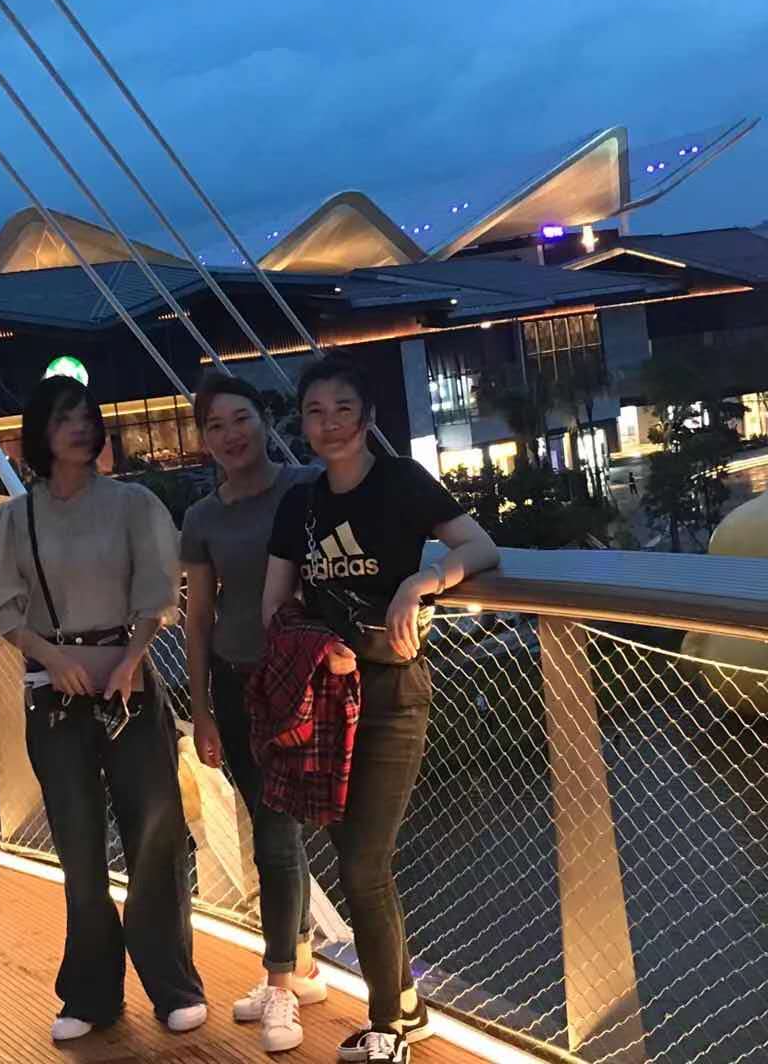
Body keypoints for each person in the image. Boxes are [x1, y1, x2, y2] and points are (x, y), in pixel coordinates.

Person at [262, 356, 500, 1064]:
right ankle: (406, 1006)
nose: (329, 423)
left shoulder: (400, 481)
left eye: (343, 408)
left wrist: (421, 583)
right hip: (329, 697)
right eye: (314, 411)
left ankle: (387, 1026)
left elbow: (480, 546)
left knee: (365, 861)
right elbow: (275, 607)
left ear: (366, 417)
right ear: (301, 425)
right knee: (356, 857)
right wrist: (321, 648)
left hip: (394, 693)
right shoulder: (299, 505)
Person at [0, 376, 206, 1042]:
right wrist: (51, 658)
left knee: (155, 837)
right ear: (39, 434)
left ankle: (173, 985)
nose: (79, 427)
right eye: (63, 418)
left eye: (86, 416)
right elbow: (3, 605)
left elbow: (158, 589)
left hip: (129, 688)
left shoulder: (134, 504)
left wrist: (134, 657)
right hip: (56, 694)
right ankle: (90, 993)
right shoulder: (16, 518)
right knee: (79, 850)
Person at [182, 374, 337, 1054]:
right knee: (269, 825)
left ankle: (278, 983)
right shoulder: (202, 518)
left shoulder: (307, 488)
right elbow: (197, 618)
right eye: (215, 426)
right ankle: (300, 966)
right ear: (203, 439)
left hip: (299, 682)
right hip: (235, 681)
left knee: (275, 831)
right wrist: (200, 709)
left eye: (241, 418)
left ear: (264, 420)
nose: (231, 435)